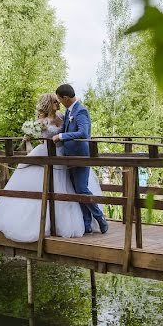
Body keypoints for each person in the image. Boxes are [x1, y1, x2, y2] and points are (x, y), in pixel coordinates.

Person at [0, 92, 104, 242]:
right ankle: (46, 222)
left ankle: (87, 222)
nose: (58, 104)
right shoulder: (41, 122)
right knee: (46, 188)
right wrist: (29, 146)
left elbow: (73, 132)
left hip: (64, 154)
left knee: (73, 187)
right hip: (46, 154)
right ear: (49, 104)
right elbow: (28, 140)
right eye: (55, 102)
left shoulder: (63, 117)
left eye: (58, 101)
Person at [52, 84, 109, 235]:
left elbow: (83, 133)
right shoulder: (68, 111)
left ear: (66, 98)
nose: (59, 101)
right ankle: (86, 223)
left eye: (59, 99)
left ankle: (100, 217)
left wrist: (62, 136)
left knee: (82, 189)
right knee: (77, 191)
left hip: (81, 156)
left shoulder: (81, 111)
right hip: (69, 157)